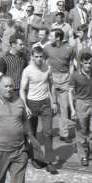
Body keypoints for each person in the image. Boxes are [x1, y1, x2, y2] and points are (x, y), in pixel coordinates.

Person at [19, 45, 60, 174]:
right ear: (32, 57)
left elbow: (51, 86)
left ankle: (49, 162)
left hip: (45, 103)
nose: (39, 59)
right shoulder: (27, 71)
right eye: (36, 57)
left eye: (41, 57)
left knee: (48, 132)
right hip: (32, 104)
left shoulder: (48, 68)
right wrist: (25, 106)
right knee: (31, 133)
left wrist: (54, 102)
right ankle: (34, 157)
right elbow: (22, 90)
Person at [69, 50, 92, 166]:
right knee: (81, 131)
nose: (88, 65)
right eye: (86, 63)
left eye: (90, 63)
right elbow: (70, 92)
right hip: (81, 103)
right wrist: (72, 109)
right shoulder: (75, 75)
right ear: (81, 63)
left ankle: (89, 148)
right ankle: (83, 155)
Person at [44, 29, 76, 142]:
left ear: (58, 38)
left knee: (64, 108)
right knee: (50, 107)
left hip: (64, 79)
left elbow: (71, 64)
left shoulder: (69, 48)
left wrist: (70, 78)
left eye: (51, 36)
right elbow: (44, 62)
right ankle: (48, 131)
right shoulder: (46, 48)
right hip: (51, 79)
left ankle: (64, 133)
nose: (49, 38)